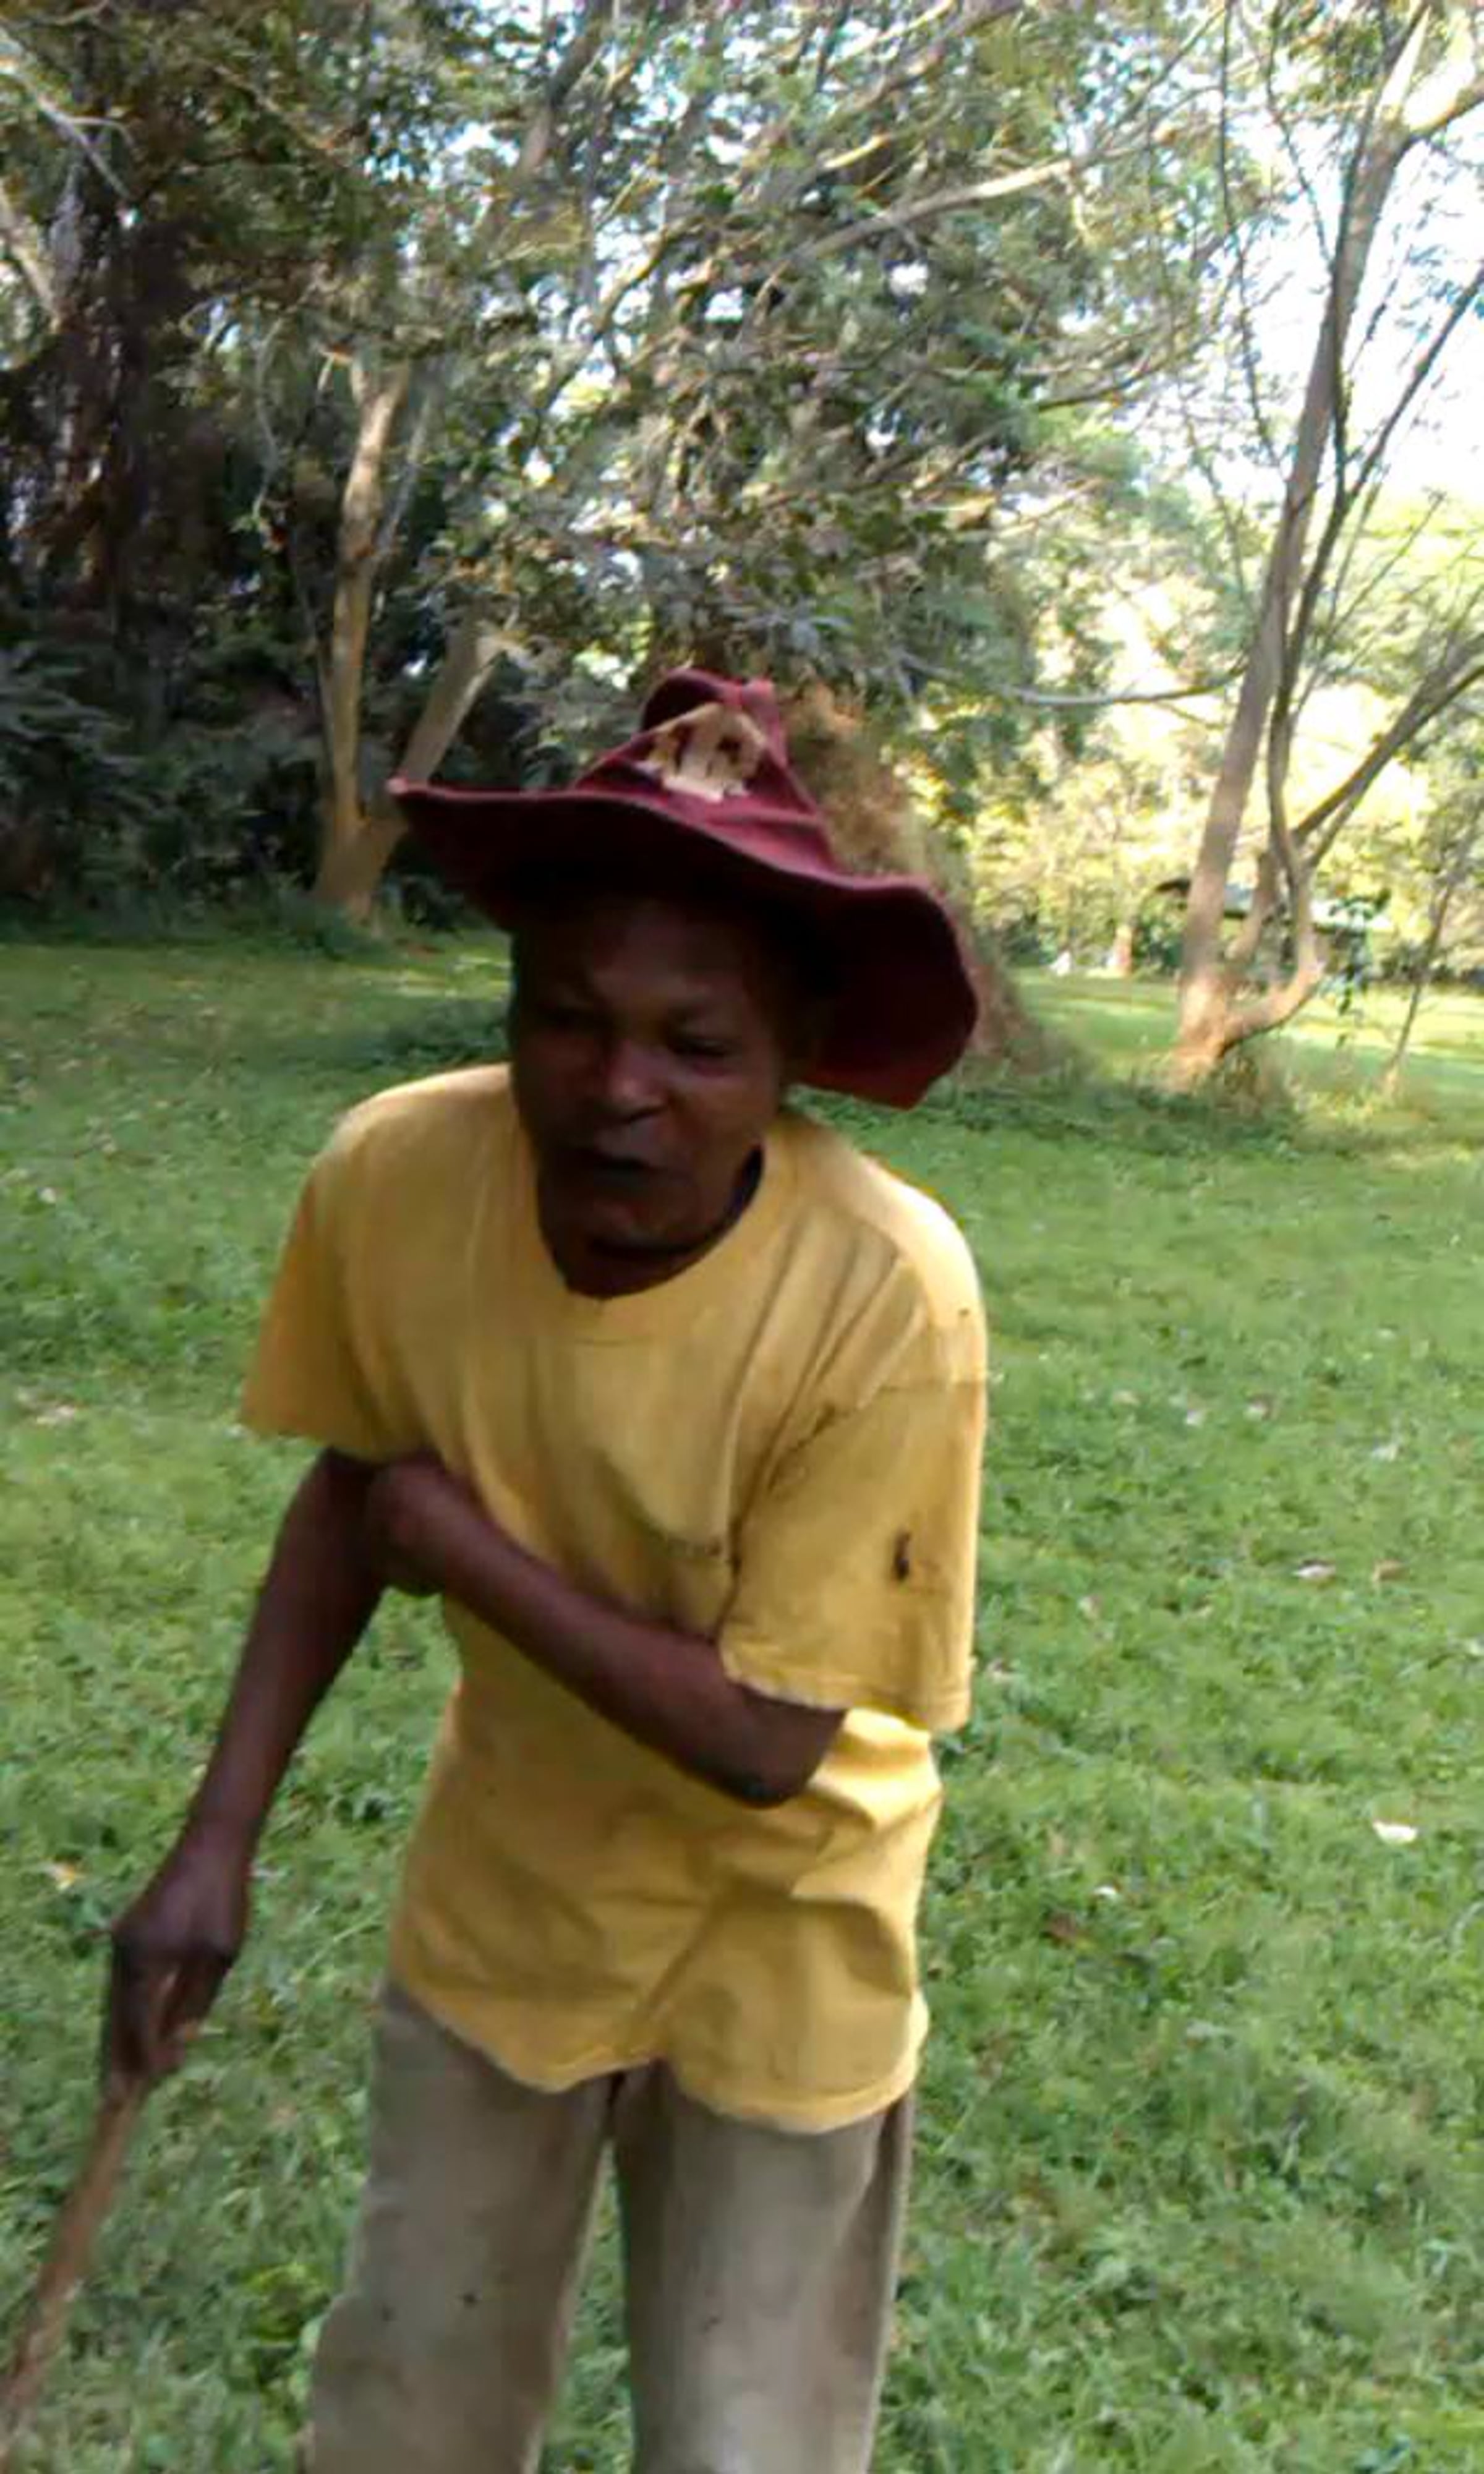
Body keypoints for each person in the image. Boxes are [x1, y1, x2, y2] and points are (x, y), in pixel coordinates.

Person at [106, 670, 988, 2473]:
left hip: (787, 1936)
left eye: (697, 1045)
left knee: (745, 2439)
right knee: (406, 2409)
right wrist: (215, 1843)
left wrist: (458, 1548)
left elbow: (766, 1741)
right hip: (509, 1902)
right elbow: (349, 1495)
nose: (618, 1091)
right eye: (567, 1019)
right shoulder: (395, 1179)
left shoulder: (890, 1294)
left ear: (793, 1059)